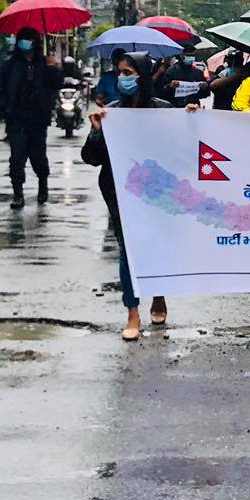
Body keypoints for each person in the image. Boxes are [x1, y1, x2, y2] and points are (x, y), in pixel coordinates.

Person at [82, 58, 171, 341]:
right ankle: (132, 312)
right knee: (127, 250)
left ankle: (158, 295)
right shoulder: (113, 113)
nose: (122, 78)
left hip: (156, 192)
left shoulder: (163, 111)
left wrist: (190, 119)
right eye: (120, 73)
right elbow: (91, 158)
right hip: (119, 192)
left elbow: (180, 148)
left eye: (128, 73)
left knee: (155, 244)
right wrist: (97, 133)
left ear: (142, 76)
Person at [0, 24, 58, 208]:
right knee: (17, 158)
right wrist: (6, 109)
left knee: (38, 157)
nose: (25, 43)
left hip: (38, 120)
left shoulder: (44, 63)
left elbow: (56, 84)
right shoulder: (10, 65)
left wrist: (53, 68)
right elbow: (1, 89)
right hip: (16, 119)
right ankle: (18, 194)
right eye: (23, 39)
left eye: (29, 39)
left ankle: (43, 186)